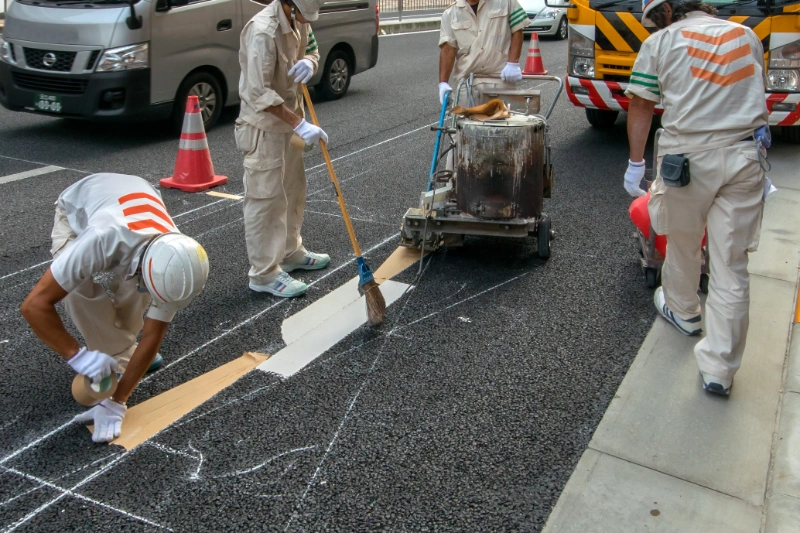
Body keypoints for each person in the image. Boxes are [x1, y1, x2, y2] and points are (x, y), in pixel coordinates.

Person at [623, 0, 769, 395]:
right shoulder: (746, 35)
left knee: (684, 243)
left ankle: (684, 311)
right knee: (732, 263)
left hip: (687, 161)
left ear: (668, 12)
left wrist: (636, 164)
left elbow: (641, 103)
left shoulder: (662, 42)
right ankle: (720, 370)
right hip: (745, 156)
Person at [20, 173, 210, 442]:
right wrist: (77, 356)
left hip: (133, 195)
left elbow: (153, 334)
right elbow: (34, 305)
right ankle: (118, 351)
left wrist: (117, 402)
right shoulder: (100, 240)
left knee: (138, 289)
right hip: (81, 208)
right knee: (76, 288)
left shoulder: (179, 259)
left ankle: (120, 350)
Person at [236, 0, 330, 299]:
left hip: (290, 122)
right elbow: (257, 92)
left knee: (293, 189)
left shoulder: (300, 18)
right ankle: (263, 274)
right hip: (264, 128)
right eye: (303, 14)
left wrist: (311, 63)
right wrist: (300, 125)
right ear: (289, 5)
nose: (306, 21)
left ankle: (290, 252)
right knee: (266, 200)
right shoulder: (263, 31)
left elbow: (312, 48)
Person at [437, 0, 531, 105]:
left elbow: (517, 30)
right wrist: (443, 83)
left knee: (501, 119)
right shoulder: (451, 12)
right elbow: (448, 49)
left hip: (499, 78)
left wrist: (513, 63)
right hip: (467, 82)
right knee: (465, 120)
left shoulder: (506, 2)